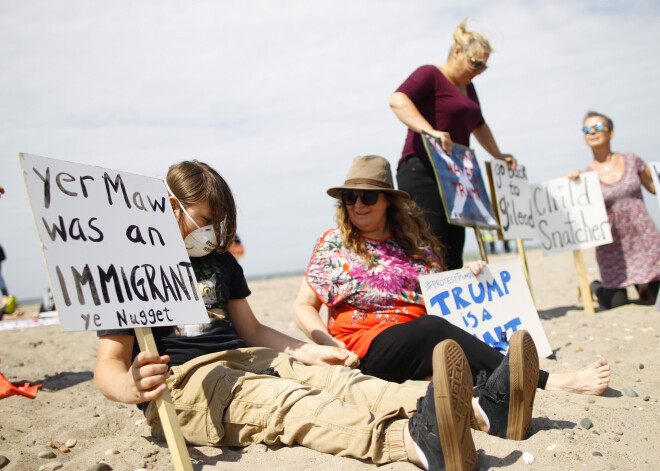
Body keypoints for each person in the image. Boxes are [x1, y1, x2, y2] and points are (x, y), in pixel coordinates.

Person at [93, 160, 537, 470]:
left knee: (345, 383)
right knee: (293, 406)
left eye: (218, 222)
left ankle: (480, 410)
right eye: (204, 219)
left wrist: (308, 350)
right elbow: (107, 367)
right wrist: (130, 386)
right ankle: (411, 444)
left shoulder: (220, 261)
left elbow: (252, 329)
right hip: (191, 383)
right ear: (172, 207)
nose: (210, 232)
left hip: (251, 358)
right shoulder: (134, 267)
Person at [294, 155, 610, 399]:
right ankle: (547, 381)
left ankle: (491, 385)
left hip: (417, 342)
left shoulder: (414, 243)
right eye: (350, 197)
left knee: (446, 344)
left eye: (368, 196)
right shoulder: (336, 243)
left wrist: (467, 277)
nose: (358, 204)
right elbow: (303, 306)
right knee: (433, 331)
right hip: (363, 346)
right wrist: (326, 343)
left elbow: (440, 293)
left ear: (388, 200)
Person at [389, 18, 516, 270]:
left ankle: (453, 306)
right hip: (423, 169)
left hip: (455, 175)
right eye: (475, 63)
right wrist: (430, 131)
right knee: (431, 243)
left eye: (484, 67)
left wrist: (498, 155)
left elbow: (479, 124)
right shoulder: (430, 74)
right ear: (458, 52)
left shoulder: (469, 87)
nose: (478, 71)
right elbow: (397, 99)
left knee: (454, 245)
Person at [568, 111, 660, 309]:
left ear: (611, 132)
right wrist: (569, 186)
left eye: (598, 127)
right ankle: (591, 282)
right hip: (612, 245)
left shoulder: (632, 160)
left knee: (653, 299)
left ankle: (642, 284)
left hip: (643, 238)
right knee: (615, 303)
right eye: (587, 129)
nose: (592, 132)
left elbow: (654, 187)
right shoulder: (585, 176)